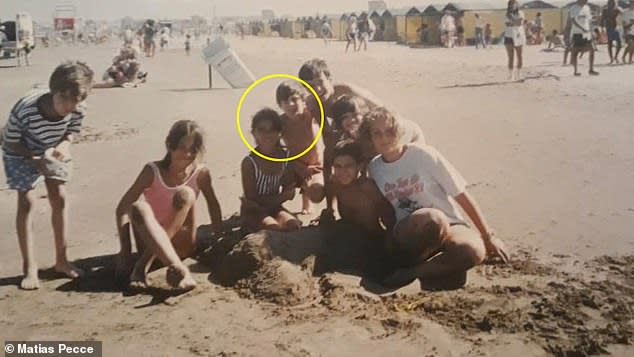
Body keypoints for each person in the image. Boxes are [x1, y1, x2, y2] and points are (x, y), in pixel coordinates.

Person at [362, 107, 510, 289]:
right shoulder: (375, 168)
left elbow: (460, 194)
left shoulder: (424, 155)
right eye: (377, 133)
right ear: (370, 138)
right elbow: (384, 209)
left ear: (400, 131)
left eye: (389, 131)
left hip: (450, 224)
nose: (384, 138)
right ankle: (422, 263)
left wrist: (488, 236)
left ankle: (414, 272)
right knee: (432, 218)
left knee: (473, 251)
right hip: (409, 229)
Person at [2, 61, 94, 290]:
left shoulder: (78, 107)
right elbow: (9, 140)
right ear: (54, 91)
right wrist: (33, 158)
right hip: (19, 150)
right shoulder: (25, 109)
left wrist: (63, 146)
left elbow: (71, 132)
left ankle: (61, 261)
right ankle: (29, 267)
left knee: (60, 198)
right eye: (64, 100)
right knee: (27, 201)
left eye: (76, 101)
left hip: (53, 148)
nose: (69, 107)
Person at [114, 120, 224, 290]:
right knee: (138, 207)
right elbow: (122, 208)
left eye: (193, 149)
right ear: (169, 145)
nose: (187, 154)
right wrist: (125, 250)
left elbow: (213, 205)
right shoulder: (152, 171)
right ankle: (178, 269)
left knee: (185, 194)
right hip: (149, 244)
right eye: (182, 147)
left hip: (182, 244)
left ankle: (143, 266)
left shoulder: (201, 173)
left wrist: (218, 239)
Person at [241, 109, 301, 232]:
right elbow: (253, 201)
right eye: (261, 130)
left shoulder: (286, 157)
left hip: (275, 208)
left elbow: (289, 190)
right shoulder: (249, 163)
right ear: (253, 133)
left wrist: (286, 194)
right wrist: (283, 196)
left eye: (272, 130)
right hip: (253, 212)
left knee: (293, 226)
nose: (267, 134)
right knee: (272, 228)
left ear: (279, 133)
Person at [321, 139, 394, 237]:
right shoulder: (335, 183)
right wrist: (329, 212)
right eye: (338, 166)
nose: (343, 171)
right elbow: (330, 204)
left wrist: (390, 238)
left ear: (359, 166)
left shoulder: (367, 186)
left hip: (371, 236)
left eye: (348, 166)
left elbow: (387, 214)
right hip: (347, 231)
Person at [276, 80, 325, 214]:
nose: (291, 104)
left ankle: (307, 199)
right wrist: (297, 167)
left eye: (294, 99)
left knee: (317, 192)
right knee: (273, 177)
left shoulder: (312, 115)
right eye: (285, 101)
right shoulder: (280, 123)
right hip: (293, 165)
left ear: (303, 100)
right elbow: (275, 148)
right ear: (280, 105)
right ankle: (274, 206)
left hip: (315, 166)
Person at [569, 0, 599, 76]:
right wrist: (582, 28)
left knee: (592, 49)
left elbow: (589, 20)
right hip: (577, 33)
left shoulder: (587, 7)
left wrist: (591, 31)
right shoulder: (573, 8)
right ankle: (575, 71)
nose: (586, 0)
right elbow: (573, 21)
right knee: (576, 52)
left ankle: (591, 69)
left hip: (587, 33)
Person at [504, 0, 527, 81]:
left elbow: (520, 23)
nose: (512, 5)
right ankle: (510, 75)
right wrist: (515, 22)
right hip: (509, 36)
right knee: (511, 57)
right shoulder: (506, 14)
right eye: (510, 4)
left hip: (518, 35)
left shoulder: (520, 12)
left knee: (519, 56)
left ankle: (518, 75)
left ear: (517, 4)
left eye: (514, 3)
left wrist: (512, 22)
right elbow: (507, 24)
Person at [601, 0, 623, 64]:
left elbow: (622, 14)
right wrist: (602, 28)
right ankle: (611, 58)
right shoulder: (605, 10)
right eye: (610, 3)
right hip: (609, 27)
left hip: (616, 28)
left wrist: (619, 9)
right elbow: (602, 19)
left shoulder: (616, 10)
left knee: (619, 44)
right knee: (610, 44)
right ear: (608, 3)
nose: (611, 4)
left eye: (613, 3)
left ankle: (615, 56)